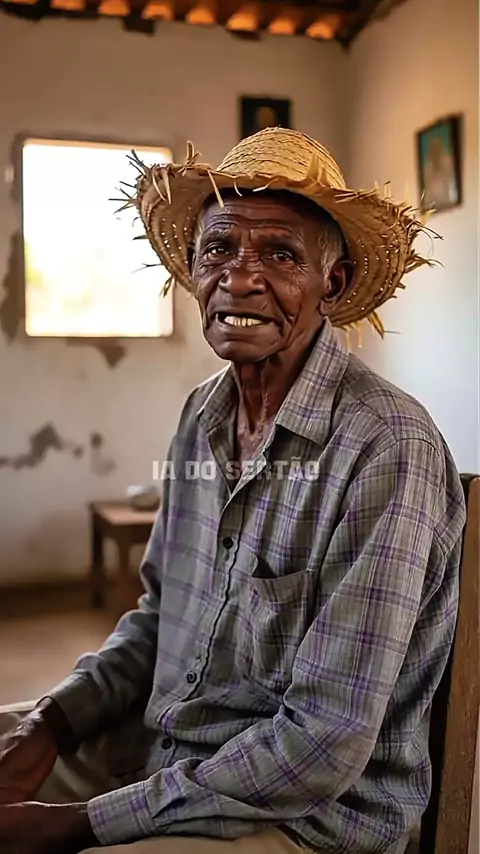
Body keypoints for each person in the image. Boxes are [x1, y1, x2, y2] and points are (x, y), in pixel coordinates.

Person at [0, 128, 465, 854]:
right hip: (166, 752)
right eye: (219, 249)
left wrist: (78, 822)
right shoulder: (203, 414)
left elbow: (322, 746)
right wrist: (51, 724)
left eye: (280, 255)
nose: (240, 279)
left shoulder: (387, 446)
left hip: (307, 819)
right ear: (192, 269)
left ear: (333, 284)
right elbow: (159, 620)